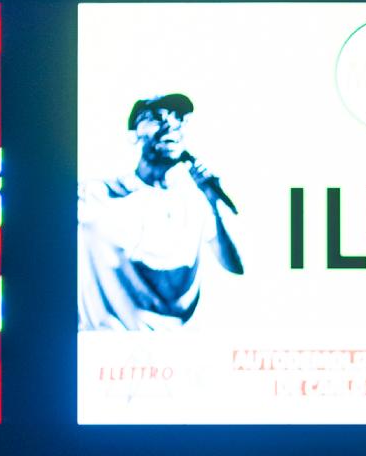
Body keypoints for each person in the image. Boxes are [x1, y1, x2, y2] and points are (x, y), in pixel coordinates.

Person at [78, 93, 243, 330]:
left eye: (178, 118)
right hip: (104, 345)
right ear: (133, 135)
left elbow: (235, 266)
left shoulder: (196, 203)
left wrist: (213, 202)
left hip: (170, 347)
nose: (170, 124)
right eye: (156, 117)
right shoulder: (95, 193)